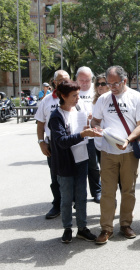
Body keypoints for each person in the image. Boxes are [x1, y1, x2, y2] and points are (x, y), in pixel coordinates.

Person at [91, 66, 140, 244]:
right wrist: (96, 127)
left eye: (115, 83)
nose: (111, 87)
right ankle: (106, 228)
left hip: (129, 152)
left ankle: (125, 224)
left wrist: (129, 139)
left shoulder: (137, 97)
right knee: (107, 192)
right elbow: (95, 119)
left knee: (128, 190)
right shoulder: (103, 99)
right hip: (108, 152)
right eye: (109, 84)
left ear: (124, 81)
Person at [48, 80, 101, 243]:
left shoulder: (79, 109)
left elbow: (85, 127)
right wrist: (82, 135)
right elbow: (62, 141)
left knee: (81, 195)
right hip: (65, 162)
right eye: (74, 95)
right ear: (63, 96)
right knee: (66, 197)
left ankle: (82, 228)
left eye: (78, 94)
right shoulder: (56, 116)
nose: (78, 98)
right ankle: (67, 228)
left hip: (82, 158)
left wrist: (90, 129)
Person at [35, 70, 70, 219]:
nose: (63, 83)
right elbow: (40, 124)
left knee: (74, 176)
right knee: (55, 177)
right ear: (54, 82)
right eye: (60, 80)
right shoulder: (47, 100)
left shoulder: (75, 97)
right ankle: (57, 205)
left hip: (72, 143)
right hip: (53, 146)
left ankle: (72, 203)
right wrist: (41, 142)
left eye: (66, 80)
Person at [76, 66, 101, 203]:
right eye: (82, 80)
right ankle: (79, 195)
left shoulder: (96, 91)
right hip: (77, 136)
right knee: (78, 167)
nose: (85, 83)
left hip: (93, 135)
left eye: (88, 80)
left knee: (93, 165)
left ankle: (97, 191)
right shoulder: (73, 91)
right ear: (76, 79)